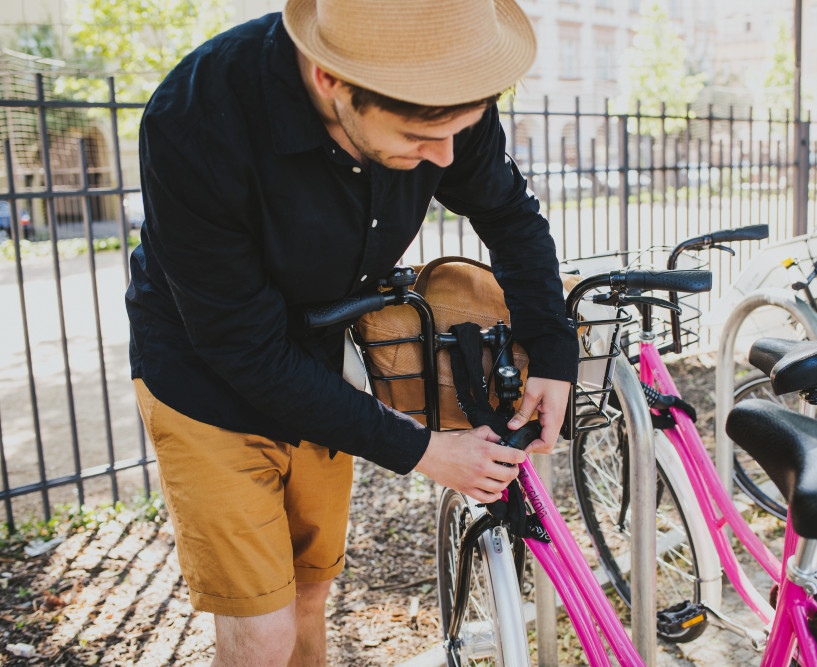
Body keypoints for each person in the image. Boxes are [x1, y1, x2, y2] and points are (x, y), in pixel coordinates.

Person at [124, 0, 578, 664]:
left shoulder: (443, 89)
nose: (445, 157)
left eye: (459, 131)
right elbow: (242, 345)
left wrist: (553, 351)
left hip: (320, 360)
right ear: (329, 79)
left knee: (310, 592)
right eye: (420, 137)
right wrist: (423, 449)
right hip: (204, 372)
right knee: (263, 631)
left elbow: (509, 213)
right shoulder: (195, 118)